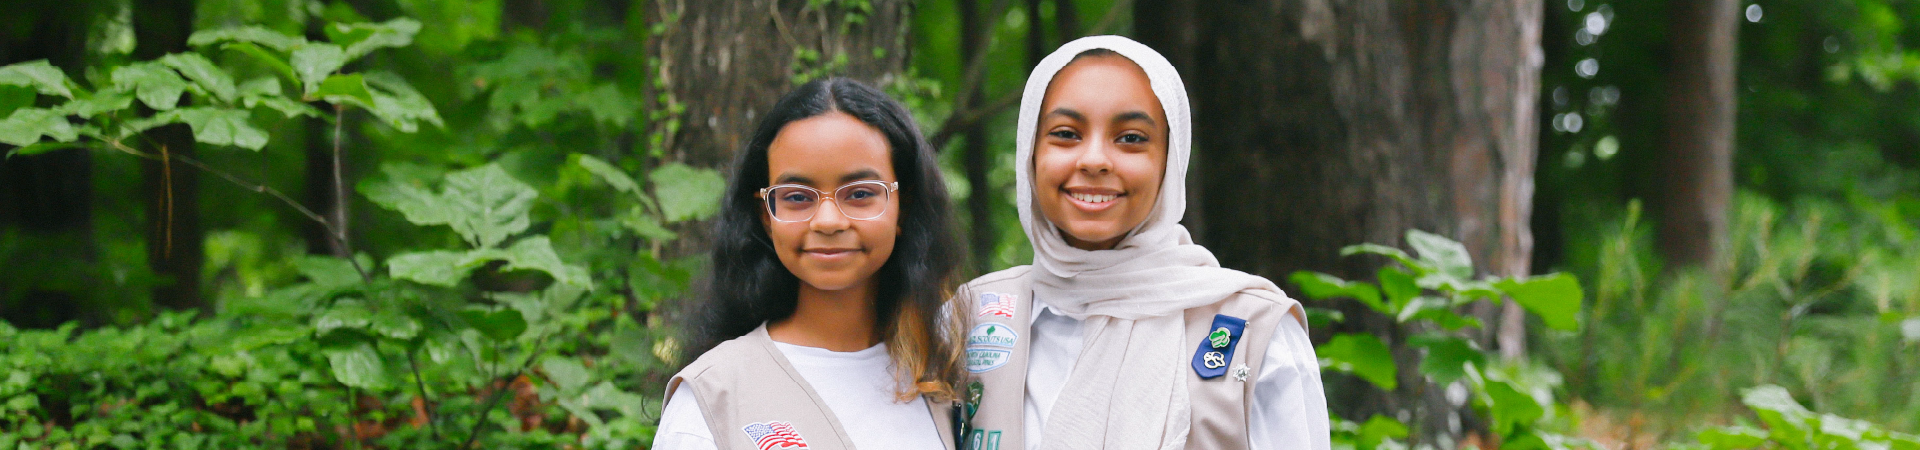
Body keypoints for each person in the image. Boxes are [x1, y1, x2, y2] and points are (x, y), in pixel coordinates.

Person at [955, 36, 1332, 450]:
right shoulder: (966, 319)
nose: (1094, 159)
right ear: (1030, 150)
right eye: (1065, 134)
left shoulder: (1254, 333)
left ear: (1170, 160)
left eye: (1131, 138)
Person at [654, 77, 965, 450]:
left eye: (861, 194)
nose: (828, 221)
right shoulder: (714, 396)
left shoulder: (950, 375)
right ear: (766, 216)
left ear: (904, 207)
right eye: (798, 197)